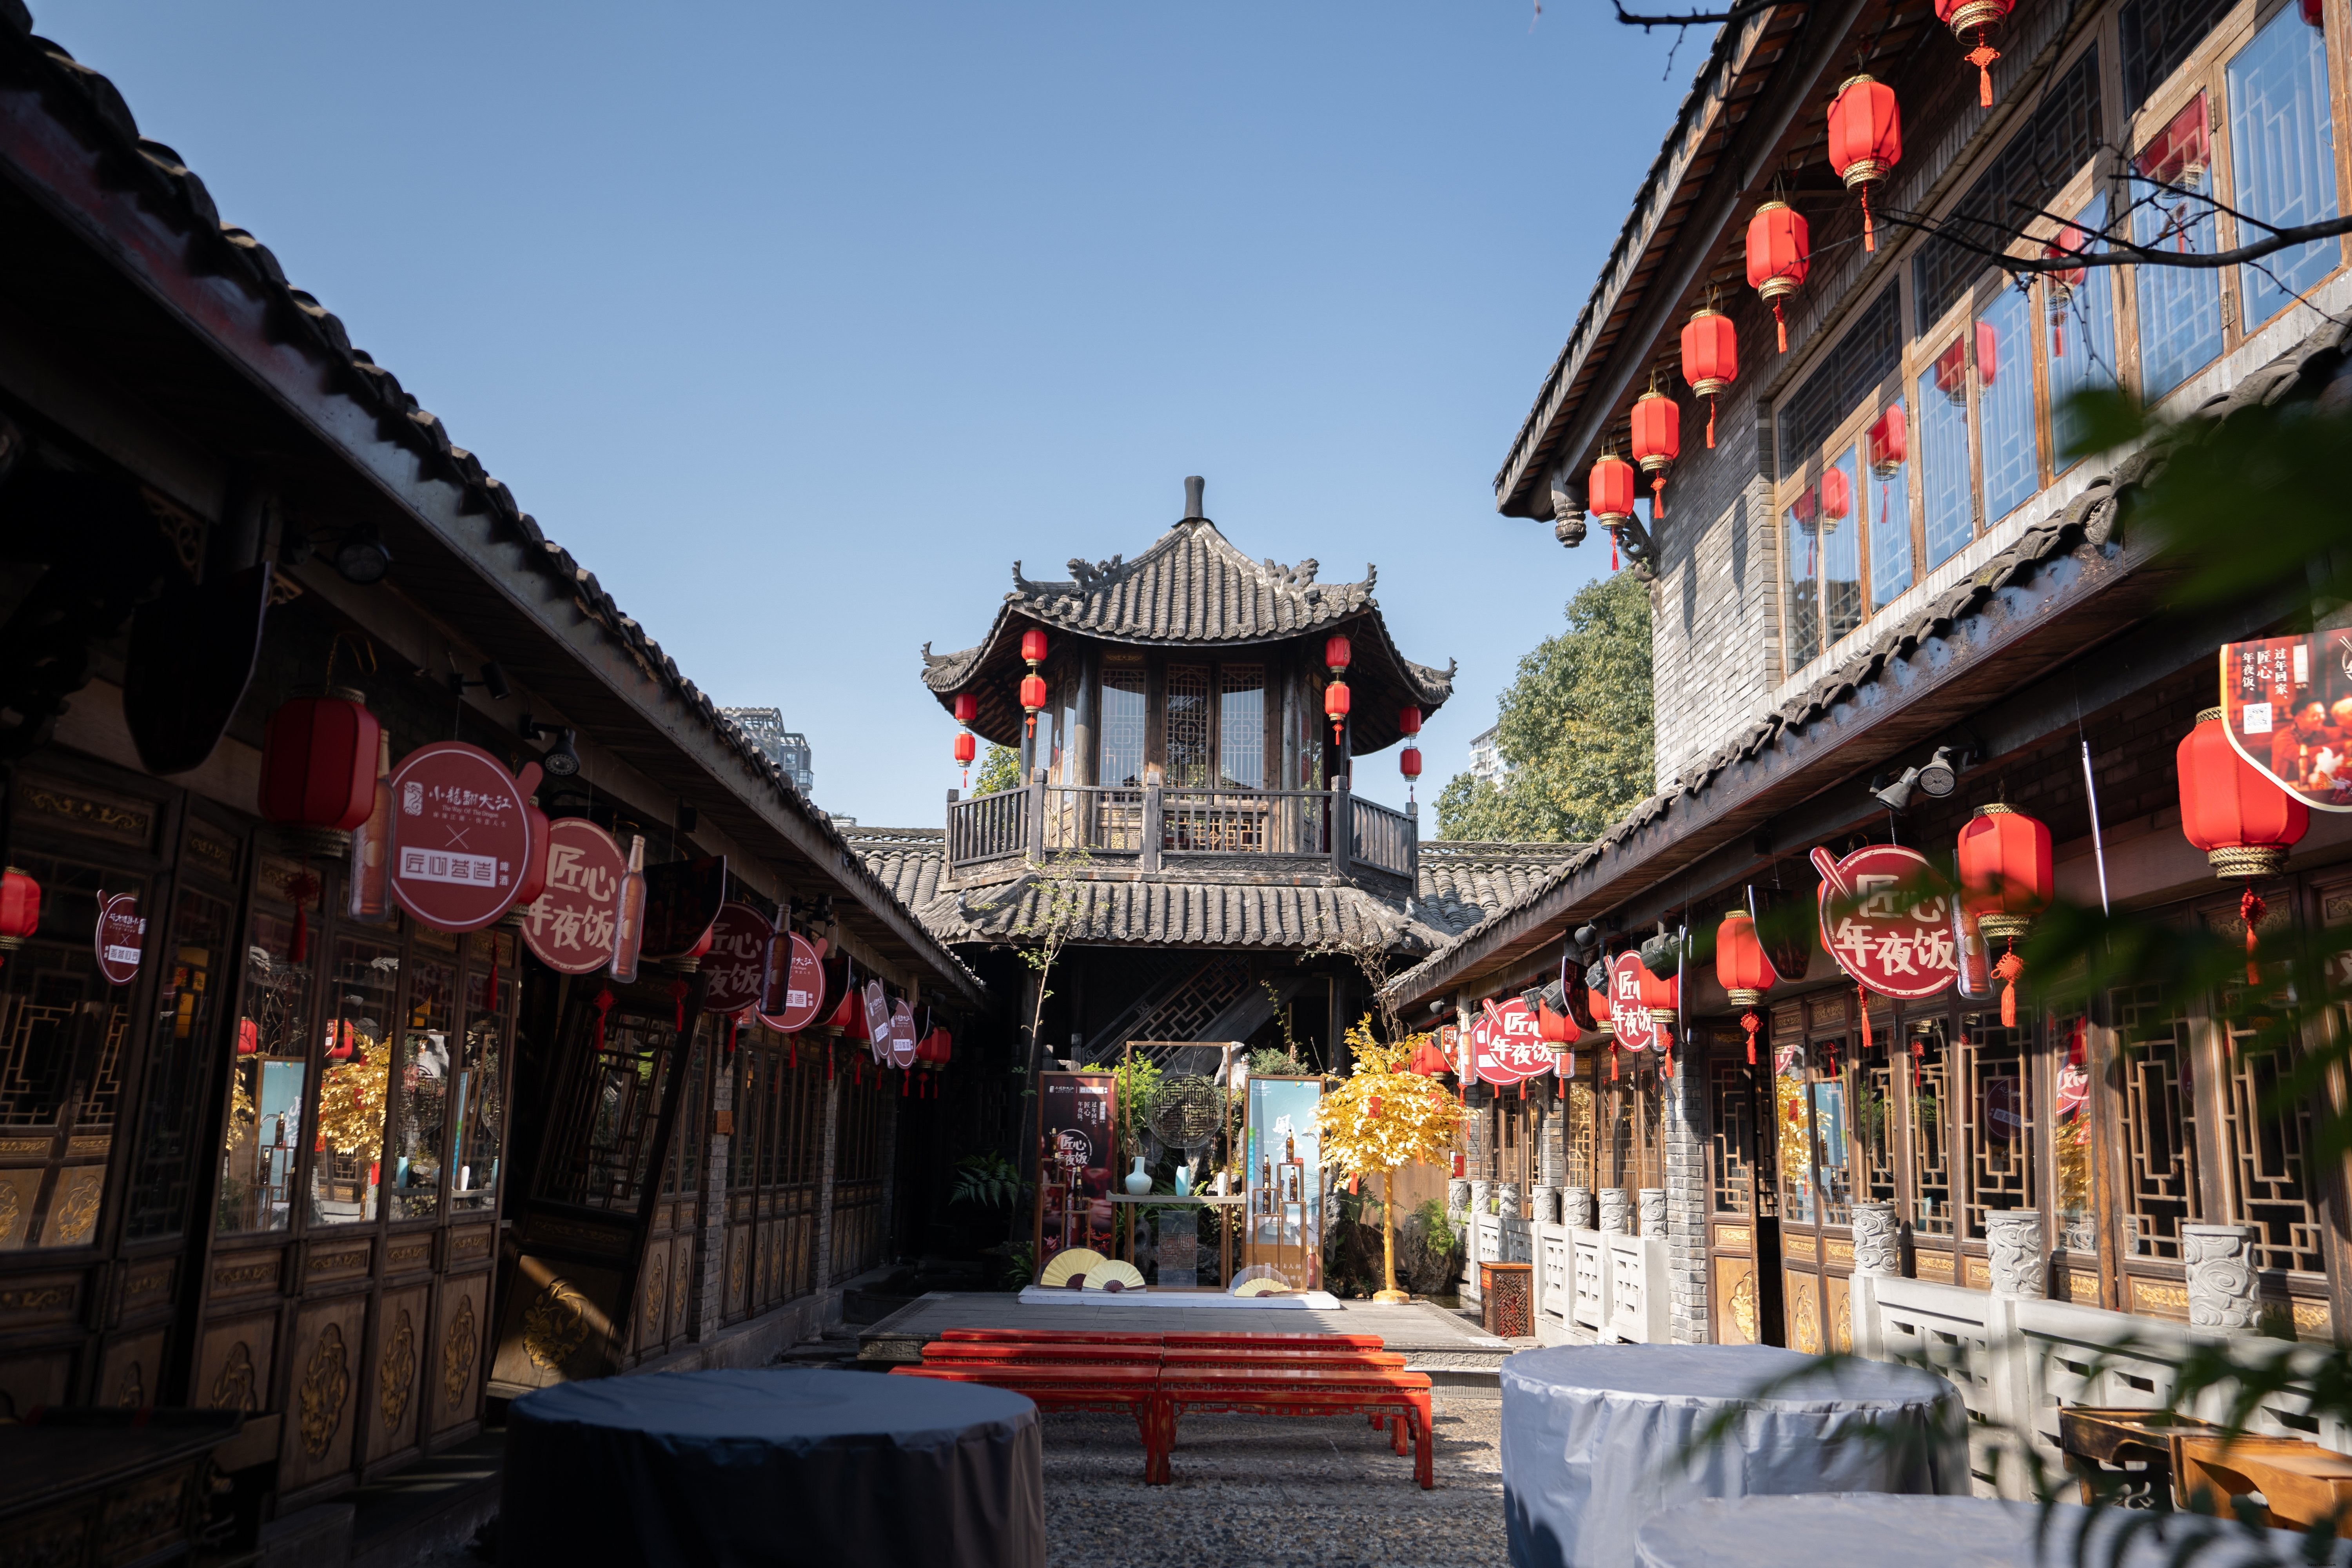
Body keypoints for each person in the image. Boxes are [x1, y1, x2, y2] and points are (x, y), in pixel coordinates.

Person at [2269, 699, 2339, 788]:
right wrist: (2343, 745)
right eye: (2315, 715)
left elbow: (2340, 732)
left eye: (2323, 714)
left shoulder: (2321, 732)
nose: (2322, 718)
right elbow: (2301, 756)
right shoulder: (2283, 738)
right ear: (2299, 719)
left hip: (2315, 786)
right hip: (2288, 788)